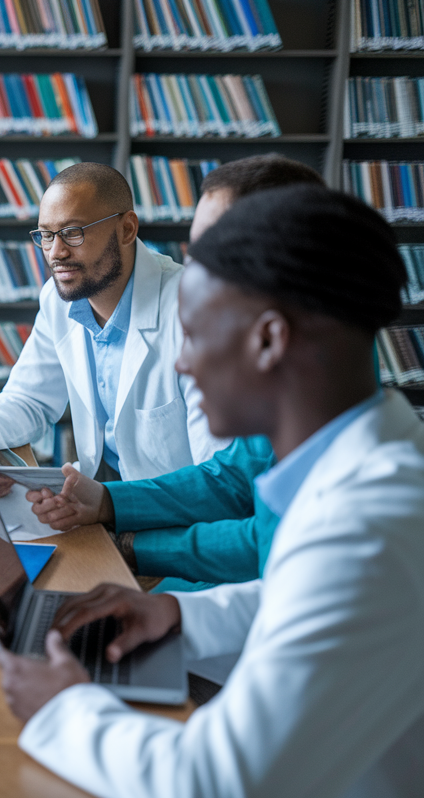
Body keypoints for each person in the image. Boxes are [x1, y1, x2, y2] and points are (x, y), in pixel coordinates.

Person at [0, 185, 424, 798]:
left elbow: (212, 781)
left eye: (193, 335)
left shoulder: (365, 529)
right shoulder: (369, 466)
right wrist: (175, 613)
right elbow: (302, 595)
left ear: (268, 340)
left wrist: (60, 709)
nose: (181, 364)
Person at [28, 155, 327, 593]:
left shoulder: (304, 368)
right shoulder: (283, 346)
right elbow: (237, 479)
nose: (198, 271)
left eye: (217, 249)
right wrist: (110, 505)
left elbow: (261, 543)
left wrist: (129, 546)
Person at [0, 162, 219, 491]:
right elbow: (30, 398)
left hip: (172, 518)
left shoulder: (196, 312)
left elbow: (218, 474)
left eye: (72, 233)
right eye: (45, 235)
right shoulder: (59, 300)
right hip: (101, 503)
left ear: (127, 229)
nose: (56, 252)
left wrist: (110, 509)